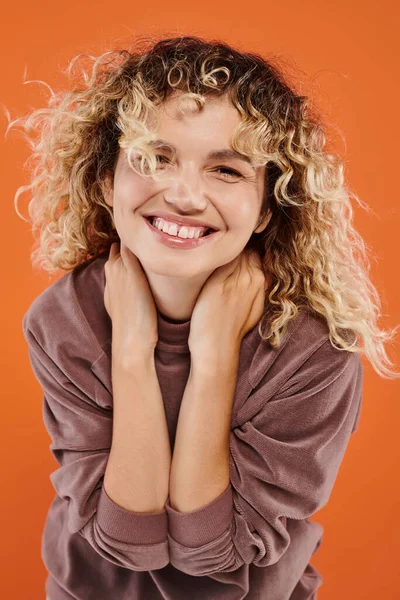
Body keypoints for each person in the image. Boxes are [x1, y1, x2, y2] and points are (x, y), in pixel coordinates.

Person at [8, 34, 399, 600]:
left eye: (227, 171)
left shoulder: (315, 351)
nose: (185, 194)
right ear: (104, 180)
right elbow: (126, 541)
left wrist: (213, 357)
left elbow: (210, 552)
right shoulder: (63, 321)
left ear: (267, 206)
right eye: (154, 158)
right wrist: (132, 353)